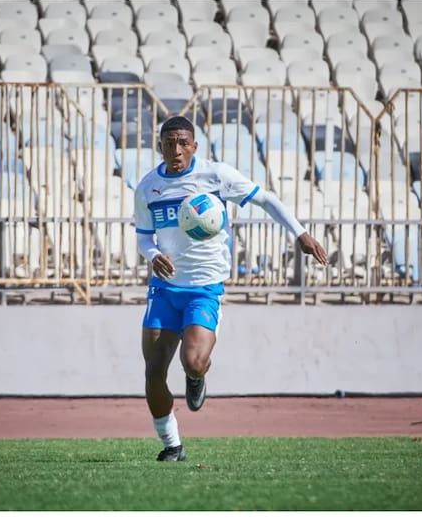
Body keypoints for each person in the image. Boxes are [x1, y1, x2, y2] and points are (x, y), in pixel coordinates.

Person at [133, 116, 328, 462]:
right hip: (163, 288)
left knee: (193, 362)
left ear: (194, 145)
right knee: (153, 371)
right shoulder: (148, 187)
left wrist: (300, 233)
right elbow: (144, 236)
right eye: (168, 142)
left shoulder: (215, 176)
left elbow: (265, 199)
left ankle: (196, 377)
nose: (175, 150)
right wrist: (152, 255)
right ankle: (172, 445)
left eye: (182, 142)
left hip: (204, 287)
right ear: (159, 145)